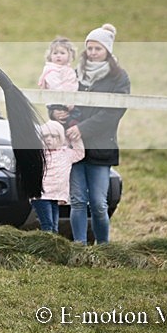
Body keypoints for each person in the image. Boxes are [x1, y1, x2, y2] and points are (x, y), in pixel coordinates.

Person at [51, 24, 130, 245]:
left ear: (107, 50)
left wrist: (82, 129)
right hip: (74, 148)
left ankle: (103, 247)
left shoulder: (119, 78)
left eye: (98, 48)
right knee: (77, 200)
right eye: (90, 48)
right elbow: (62, 98)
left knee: (98, 203)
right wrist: (55, 112)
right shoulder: (75, 74)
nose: (93, 53)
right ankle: (79, 246)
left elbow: (113, 112)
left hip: (101, 147)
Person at [30, 120, 84, 233]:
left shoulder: (66, 154)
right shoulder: (39, 154)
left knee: (54, 226)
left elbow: (80, 153)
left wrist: (75, 138)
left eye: (53, 136)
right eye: (45, 136)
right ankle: (47, 248)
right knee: (48, 225)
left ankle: (53, 247)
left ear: (60, 138)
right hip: (41, 195)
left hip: (56, 195)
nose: (49, 139)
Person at [38, 36, 79, 126]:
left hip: (68, 101)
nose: (58, 56)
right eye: (55, 53)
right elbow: (56, 87)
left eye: (62, 53)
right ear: (50, 55)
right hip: (59, 103)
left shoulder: (67, 69)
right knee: (70, 122)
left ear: (69, 55)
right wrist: (67, 102)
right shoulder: (52, 70)